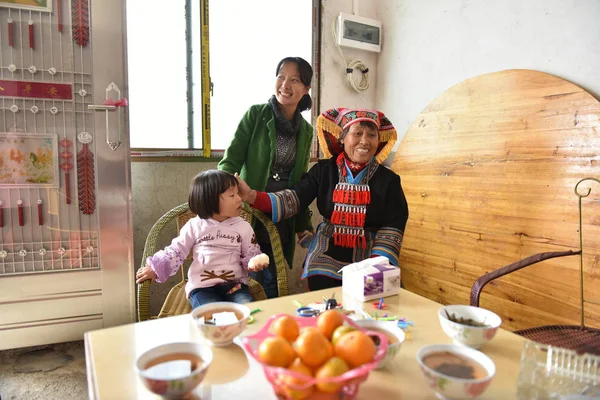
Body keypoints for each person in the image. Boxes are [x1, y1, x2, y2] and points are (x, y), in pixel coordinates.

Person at [237, 108, 409, 291]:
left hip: (370, 252)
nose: (364, 141)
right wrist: (250, 196)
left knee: (371, 303)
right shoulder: (324, 170)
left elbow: (393, 224)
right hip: (327, 248)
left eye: (372, 135)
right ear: (343, 138)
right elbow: (294, 198)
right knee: (324, 301)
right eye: (357, 133)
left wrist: (376, 265)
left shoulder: (389, 180)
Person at [218, 56, 314, 298]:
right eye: (281, 77)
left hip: (282, 210)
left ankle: (270, 324)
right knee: (246, 273)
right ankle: (248, 321)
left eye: (294, 80)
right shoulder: (256, 115)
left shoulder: (306, 130)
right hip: (249, 208)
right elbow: (230, 161)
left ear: (306, 89)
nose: (285, 85)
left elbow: (301, 181)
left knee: (272, 274)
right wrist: (225, 195)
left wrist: (303, 226)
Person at [135, 170, 269, 308]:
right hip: (202, 288)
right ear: (210, 200)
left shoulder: (243, 227)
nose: (239, 198)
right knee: (209, 313)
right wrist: (155, 268)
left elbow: (250, 253)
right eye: (232, 195)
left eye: (238, 193)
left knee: (246, 308)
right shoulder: (195, 225)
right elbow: (176, 251)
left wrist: (255, 262)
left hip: (235, 285)